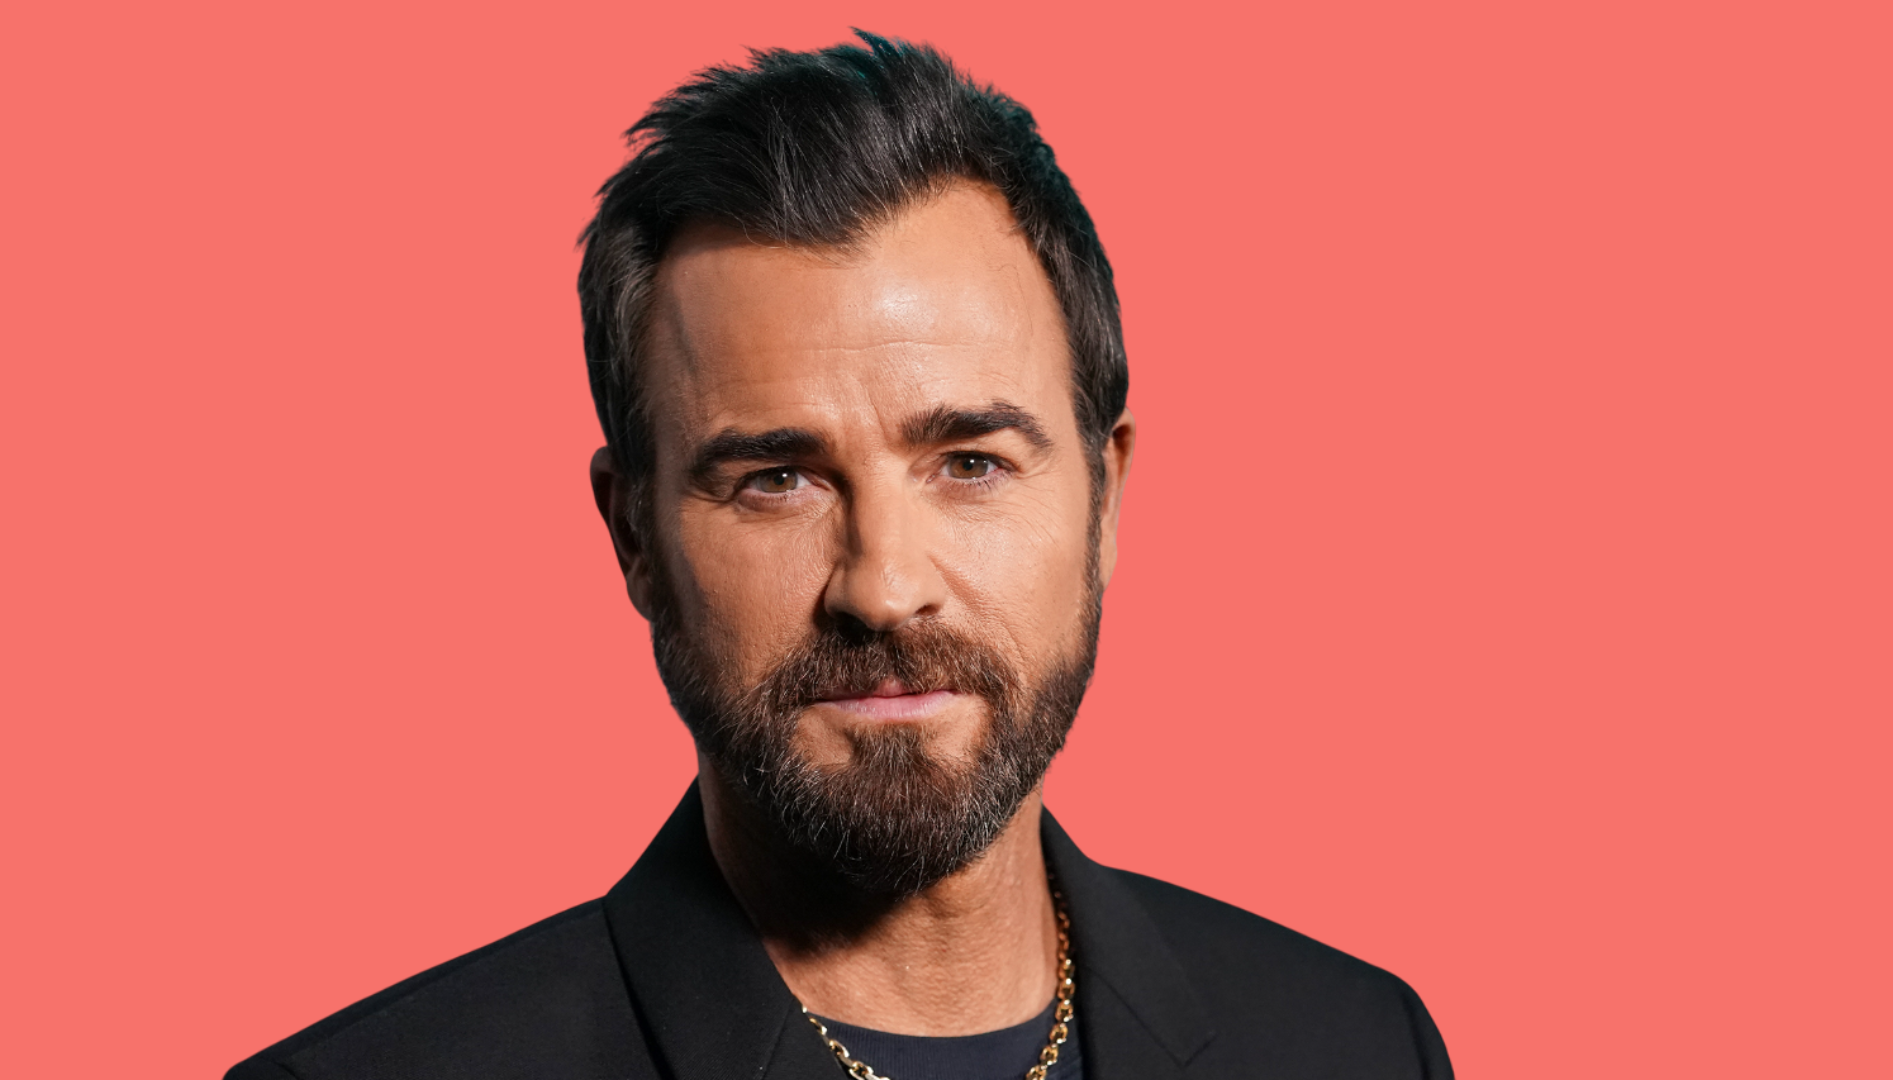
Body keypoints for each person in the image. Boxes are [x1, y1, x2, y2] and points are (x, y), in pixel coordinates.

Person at [228, 32, 1452, 1080]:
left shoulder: (1354, 1044)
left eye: (970, 462)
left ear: (1106, 497)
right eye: (777, 480)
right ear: (635, 536)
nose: (882, 586)